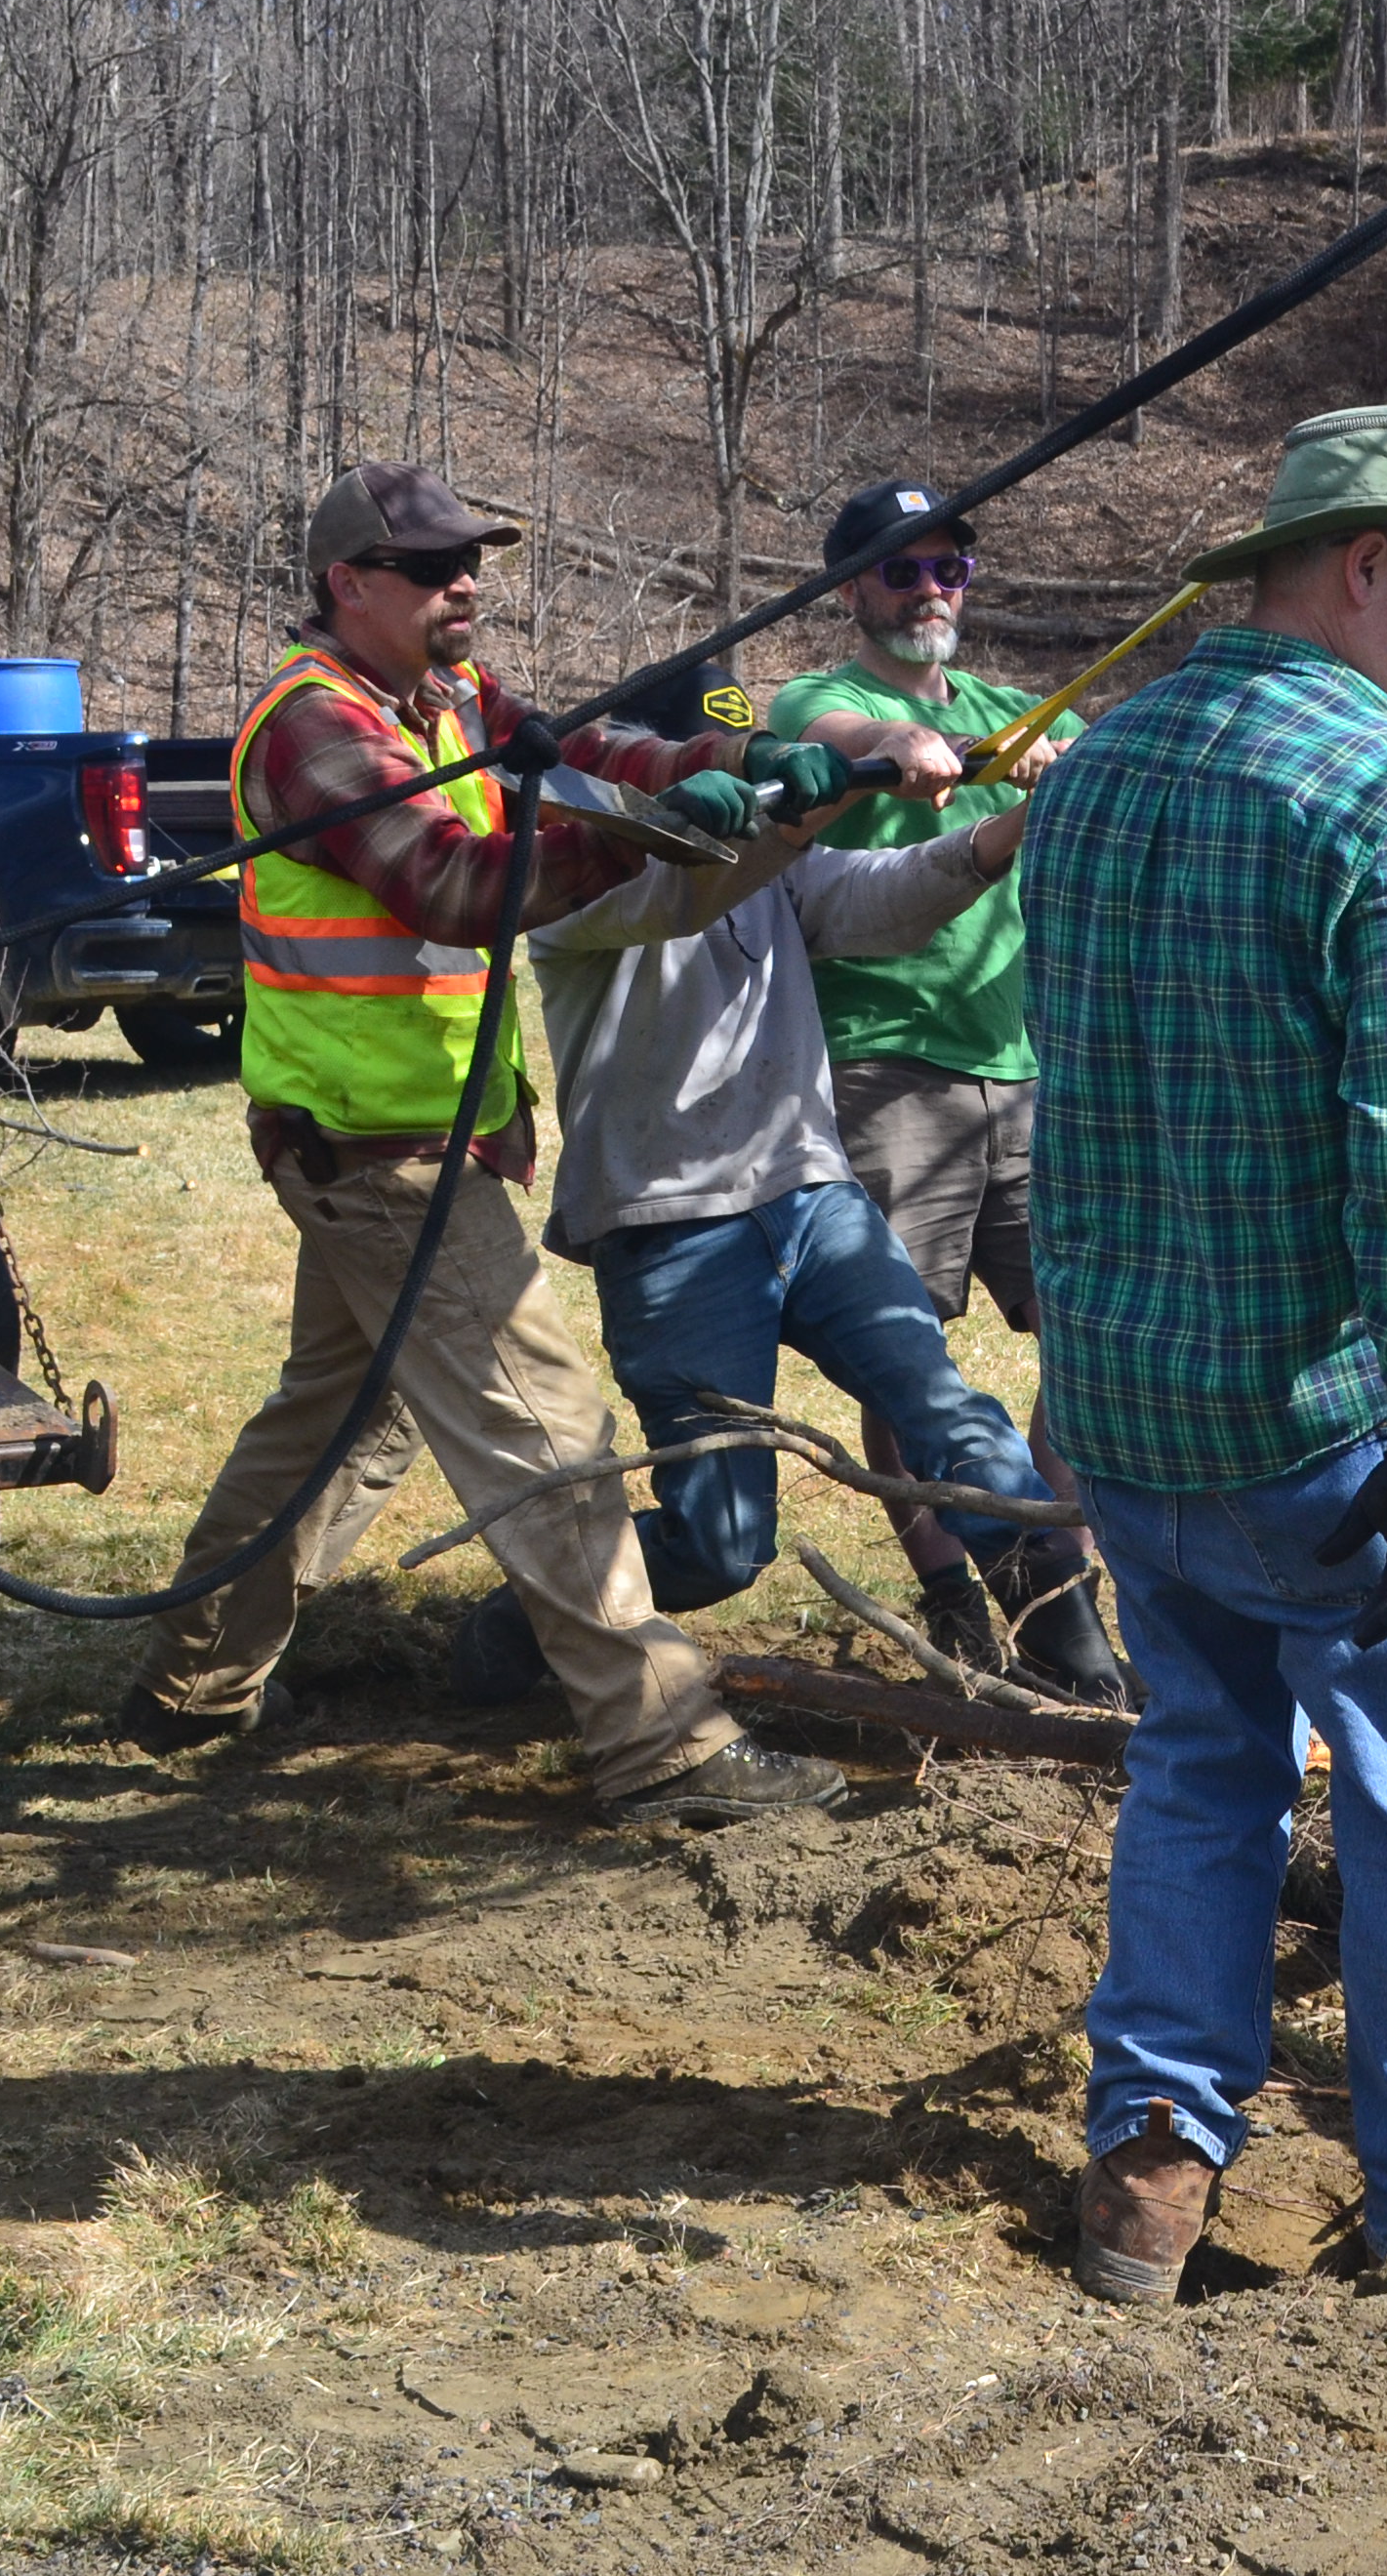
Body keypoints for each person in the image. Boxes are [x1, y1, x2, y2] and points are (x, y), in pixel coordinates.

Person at [1025, 404, 1387, 2303]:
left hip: (1135, 1413)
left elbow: (1070, 1106)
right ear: (1361, 564)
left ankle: (1149, 2176)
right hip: (1332, 1429)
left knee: (1199, 1768)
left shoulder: (1097, 774)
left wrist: (1067, 1377)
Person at [130, 461, 862, 1829]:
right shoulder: (314, 727)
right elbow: (456, 887)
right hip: (371, 1154)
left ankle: (196, 1680)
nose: (463, 583)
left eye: (471, 561)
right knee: (547, 1433)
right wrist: (644, 846)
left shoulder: (450, 696)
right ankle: (664, 1745)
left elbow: (591, 756)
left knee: (340, 1421)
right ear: (349, 584)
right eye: (429, 567)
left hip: (405, 1137)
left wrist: (735, 763)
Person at [524, 739, 1112, 1697]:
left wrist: (1013, 826)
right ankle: (523, 1623)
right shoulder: (572, 884)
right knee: (719, 1545)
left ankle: (1078, 1670)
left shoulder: (773, 869)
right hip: (670, 1226)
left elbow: (883, 896)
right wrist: (823, 796)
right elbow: (682, 895)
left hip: (812, 1195)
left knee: (945, 1410)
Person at [762, 478, 1107, 1683]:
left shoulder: (1017, 711)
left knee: (1090, 1332)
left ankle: (1059, 1568)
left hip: (1025, 1071)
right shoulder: (822, 698)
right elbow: (831, 738)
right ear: (851, 589)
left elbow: (1107, 766)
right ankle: (956, 1591)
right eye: (901, 570)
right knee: (907, 1352)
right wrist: (900, 748)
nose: (929, 590)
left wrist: (1076, 762)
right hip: (885, 1068)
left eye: (948, 568)